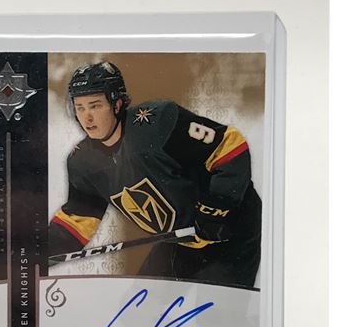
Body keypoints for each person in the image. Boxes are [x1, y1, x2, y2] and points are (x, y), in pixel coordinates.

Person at [49, 61, 261, 287]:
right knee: (139, 307)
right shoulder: (84, 162)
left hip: (232, 230)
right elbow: (78, 219)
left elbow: (230, 147)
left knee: (215, 308)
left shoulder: (156, 123)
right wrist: (38, 251)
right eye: (80, 107)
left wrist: (215, 210)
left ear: (117, 104)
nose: (87, 117)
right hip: (180, 239)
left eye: (95, 105)